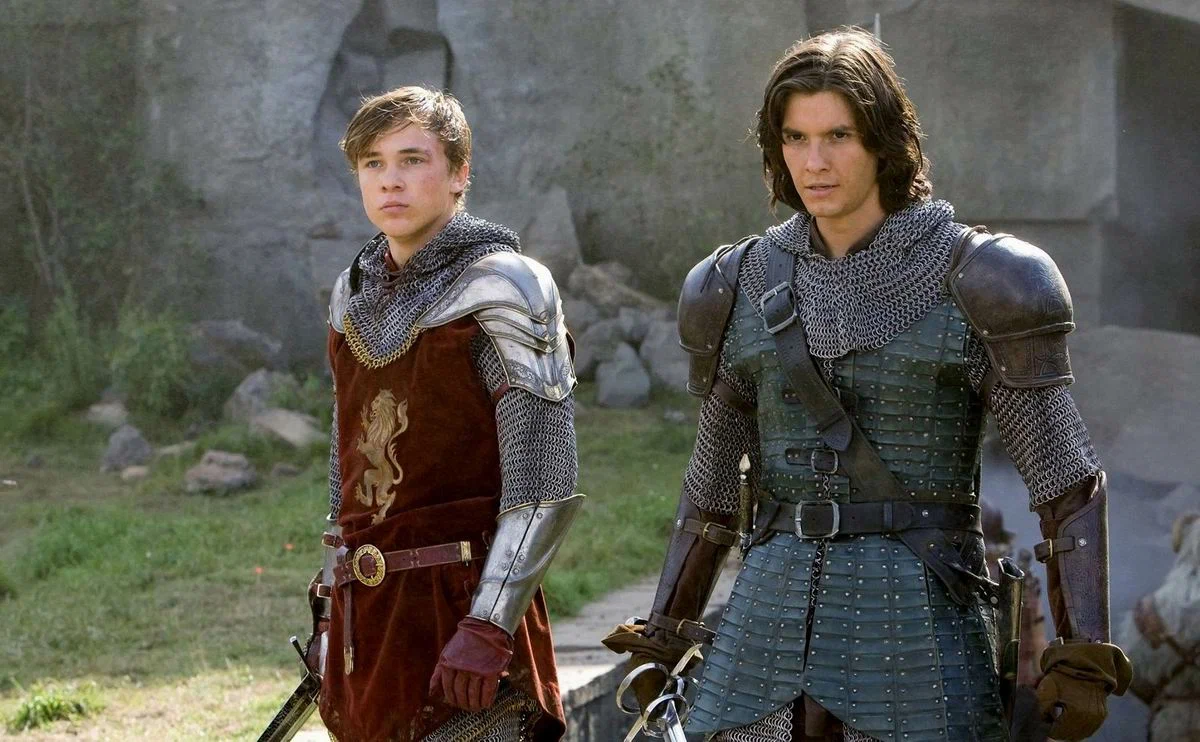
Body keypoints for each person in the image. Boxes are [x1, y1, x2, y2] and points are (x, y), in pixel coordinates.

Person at [604, 28, 1130, 742]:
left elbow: (1066, 483)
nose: (813, 163)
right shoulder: (733, 285)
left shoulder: (984, 280)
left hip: (918, 634)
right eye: (795, 138)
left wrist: (1083, 654)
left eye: (838, 136)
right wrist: (665, 635)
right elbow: (710, 490)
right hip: (763, 635)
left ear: (884, 141)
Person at [311, 85, 582, 742]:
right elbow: (348, 468)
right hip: (370, 621)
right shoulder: (353, 296)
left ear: (460, 173)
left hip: (464, 610)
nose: (390, 181)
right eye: (373, 163)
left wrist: (490, 623)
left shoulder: (504, 287)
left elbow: (544, 484)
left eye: (412, 159)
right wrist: (329, 602)